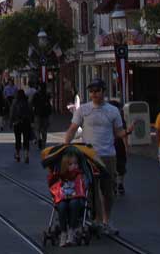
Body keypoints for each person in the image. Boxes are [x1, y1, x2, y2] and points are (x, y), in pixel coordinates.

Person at [63, 78, 125, 235]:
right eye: (91, 91)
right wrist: (65, 146)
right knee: (92, 190)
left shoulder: (113, 111)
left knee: (108, 190)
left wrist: (128, 133)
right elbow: (72, 128)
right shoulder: (83, 110)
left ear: (104, 92)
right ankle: (97, 220)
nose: (94, 94)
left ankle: (106, 220)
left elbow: (118, 132)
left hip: (108, 155)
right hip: (89, 155)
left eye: (97, 91)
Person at [48, 152, 87, 247]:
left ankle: (71, 231)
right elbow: (55, 188)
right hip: (63, 198)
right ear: (65, 166)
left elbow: (81, 188)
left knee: (74, 204)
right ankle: (63, 232)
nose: (74, 166)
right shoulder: (60, 176)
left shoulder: (79, 175)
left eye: (76, 163)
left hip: (76, 198)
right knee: (61, 206)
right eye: (70, 164)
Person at [10, 89, 33, 163]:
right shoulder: (27, 102)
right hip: (26, 123)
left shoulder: (15, 102)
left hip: (17, 123)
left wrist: (11, 122)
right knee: (26, 139)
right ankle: (26, 155)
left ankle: (18, 155)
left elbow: (12, 113)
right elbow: (31, 113)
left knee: (18, 139)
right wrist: (32, 122)